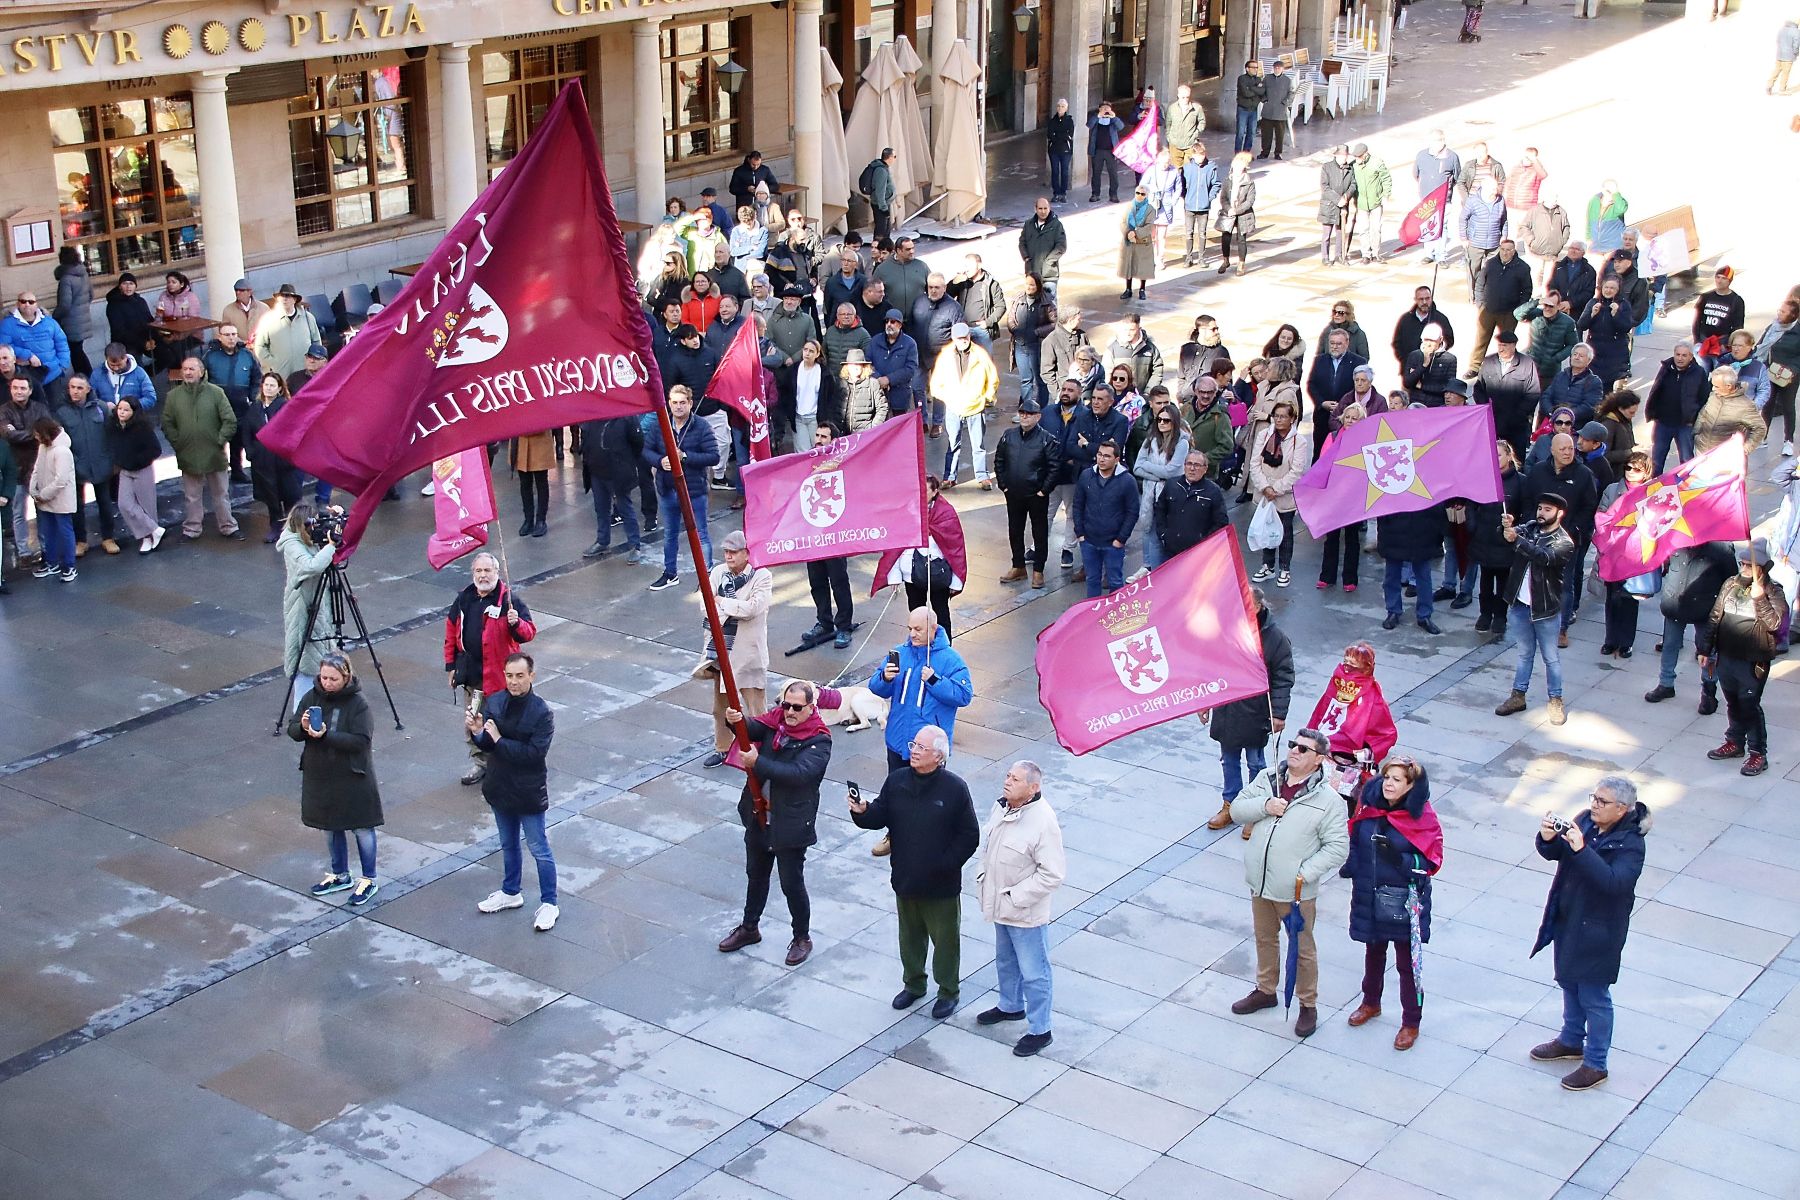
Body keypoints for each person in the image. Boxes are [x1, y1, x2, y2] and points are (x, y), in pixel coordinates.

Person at [850, 724, 979, 1019]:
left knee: (945, 940)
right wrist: (861, 811)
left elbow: (969, 835)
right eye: (913, 746)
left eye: (921, 748)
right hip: (905, 877)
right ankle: (914, 984)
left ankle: (948, 991)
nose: (914, 752)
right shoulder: (897, 781)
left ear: (939, 756)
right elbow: (879, 814)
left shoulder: (954, 788)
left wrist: (946, 865)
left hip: (941, 885)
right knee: (909, 937)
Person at [1529, 775, 1649, 1091]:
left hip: (1599, 931)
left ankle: (1596, 1063)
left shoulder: (1632, 845)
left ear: (1622, 809)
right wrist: (1548, 839)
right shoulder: (1585, 821)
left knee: (1594, 996)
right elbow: (1557, 854)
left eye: (1602, 801)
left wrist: (1582, 850)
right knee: (1568, 981)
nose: (1594, 806)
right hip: (1569, 918)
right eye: (1593, 798)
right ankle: (1570, 1040)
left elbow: (1613, 883)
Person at [1228, 729, 1347, 1038]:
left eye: (1304, 749)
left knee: (1302, 949)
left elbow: (1337, 848)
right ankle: (1266, 989)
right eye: (1293, 745)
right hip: (1260, 883)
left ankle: (1308, 1004)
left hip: (1295, 893)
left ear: (1319, 759)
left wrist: (1302, 874)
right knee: (1265, 938)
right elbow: (1237, 810)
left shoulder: (1329, 801)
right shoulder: (1269, 779)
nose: (1294, 751)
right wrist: (1265, 806)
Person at [717, 679, 832, 966]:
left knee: (792, 883)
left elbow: (798, 774)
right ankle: (749, 927)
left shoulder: (819, 740)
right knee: (755, 875)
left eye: (796, 707)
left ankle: (802, 937)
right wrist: (737, 721)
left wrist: (759, 763)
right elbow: (752, 729)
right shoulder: (776, 722)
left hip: (790, 823)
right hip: (760, 816)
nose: (789, 712)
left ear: (810, 707)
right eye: (786, 705)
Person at [1345, 755, 1443, 1050]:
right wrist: (1352, 862)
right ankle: (1370, 1002)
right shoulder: (1371, 805)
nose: (1388, 784)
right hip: (1369, 895)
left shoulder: (1422, 817)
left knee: (1406, 964)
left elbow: (1431, 861)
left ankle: (1411, 1021)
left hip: (1403, 901)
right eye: (1387, 777)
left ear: (1411, 786)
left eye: (1397, 780)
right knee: (1373, 952)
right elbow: (1356, 834)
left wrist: (1400, 859)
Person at [976, 760, 1066, 1057]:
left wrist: (1016, 897)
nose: (1007, 782)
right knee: (1005, 961)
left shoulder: (1042, 821)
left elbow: (1052, 873)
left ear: (1033, 788)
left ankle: (1041, 1029)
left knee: (1034, 972)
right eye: (1008, 776)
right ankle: (1010, 1005)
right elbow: (989, 847)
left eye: (1015, 779)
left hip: (1024, 912)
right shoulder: (1001, 807)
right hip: (1001, 904)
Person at [470, 653, 559, 933]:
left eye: (520, 676)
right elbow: (487, 744)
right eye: (509, 675)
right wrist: (477, 733)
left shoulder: (541, 713)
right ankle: (511, 892)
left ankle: (550, 902)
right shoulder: (495, 701)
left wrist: (498, 739)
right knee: (507, 843)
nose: (514, 681)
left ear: (531, 676)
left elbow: (533, 755)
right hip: (500, 785)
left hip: (528, 790)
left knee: (538, 847)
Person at [288, 653, 384, 907]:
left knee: (362, 826)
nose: (327, 682)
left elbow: (361, 741)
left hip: (352, 777)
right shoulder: (312, 697)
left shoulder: (358, 704)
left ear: (346, 676)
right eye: (324, 677)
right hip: (321, 774)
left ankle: (369, 878)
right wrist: (304, 727)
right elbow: (293, 728)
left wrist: (325, 735)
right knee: (330, 826)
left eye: (333, 678)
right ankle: (340, 874)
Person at [1203, 588, 1293, 831]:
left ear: (1258, 606)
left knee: (1256, 763)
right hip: (1228, 709)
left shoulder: (1274, 637)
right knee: (1228, 760)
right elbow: (1211, 666)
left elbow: (1283, 676)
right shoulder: (1223, 630)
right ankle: (1230, 804)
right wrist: (1205, 702)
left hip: (1256, 711)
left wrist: (1279, 712)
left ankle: (1254, 808)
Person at [443, 553, 536, 787]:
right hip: (473, 677)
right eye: (478, 571)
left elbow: (529, 633)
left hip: (501, 679)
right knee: (473, 718)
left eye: (487, 571)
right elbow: (450, 631)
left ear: (497, 572)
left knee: (503, 722)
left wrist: (516, 623)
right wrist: (451, 665)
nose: (483, 575)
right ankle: (480, 763)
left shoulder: (509, 600)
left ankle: (506, 763)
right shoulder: (464, 598)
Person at [1698, 540, 1787, 776]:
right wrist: (1705, 649)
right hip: (1727, 655)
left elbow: (1775, 624)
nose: (1745, 569)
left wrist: (1760, 600)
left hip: (1752, 661)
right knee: (1732, 702)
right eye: (1743, 563)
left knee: (1749, 706)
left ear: (1763, 568)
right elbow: (1715, 616)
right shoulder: (1730, 584)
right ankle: (1735, 742)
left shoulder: (1773, 591)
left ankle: (1758, 753)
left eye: (1750, 565)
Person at [1495, 493, 1575, 725]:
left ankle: (1555, 700)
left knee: (1551, 658)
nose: (1541, 513)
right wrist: (1506, 527)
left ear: (1560, 514)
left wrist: (1517, 540)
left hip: (1545, 608)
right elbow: (1504, 538)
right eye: (1540, 508)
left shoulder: (1564, 542)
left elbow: (1544, 557)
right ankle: (1518, 696)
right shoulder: (1529, 528)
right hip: (1520, 605)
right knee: (1524, 654)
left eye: (1548, 509)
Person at [697, 529, 772, 768]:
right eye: (726, 552)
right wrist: (729, 607)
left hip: (749, 653)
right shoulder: (718, 572)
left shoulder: (762, 576)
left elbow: (753, 609)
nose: (728, 557)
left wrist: (722, 602)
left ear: (747, 553)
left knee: (755, 706)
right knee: (721, 708)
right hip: (723, 652)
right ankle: (722, 747)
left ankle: (765, 749)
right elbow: (705, 604)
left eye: (733, 552)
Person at [1308, 642, 1398, 816]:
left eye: (1353, 665)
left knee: (1348, 810)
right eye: (1345, 663)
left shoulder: (1373, 699)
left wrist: (1365, 753)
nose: (1346, 668)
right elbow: (1319, 716)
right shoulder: (1335, 688)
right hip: (1325, 757)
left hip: (1351, 766)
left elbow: (1386, 734)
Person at [643, 385, 719, 592]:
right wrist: (660, 461)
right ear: (669, 403)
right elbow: (646, 451)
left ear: (690, 403)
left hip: (694, 490)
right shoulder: (661, 425)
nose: (678, 407)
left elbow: (714, 456)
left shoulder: (701, 426)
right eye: (674, 402)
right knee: (669, 534)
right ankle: (670, 573)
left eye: (682, 402)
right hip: (668, 489)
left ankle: (708, 577)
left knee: (701, 534)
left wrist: (684, 456)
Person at [874, 477, 968, 638]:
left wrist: (956, 580)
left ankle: (943, 650)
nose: (920, 495)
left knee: (941, 615)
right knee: (916, 614)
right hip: (912, 575)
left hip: (938, 574)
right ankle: (918, 647)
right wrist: (895, 575)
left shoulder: (946, 513)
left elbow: (955, 548)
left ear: (935, 492)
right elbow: (895, 546)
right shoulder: (905, 511)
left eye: (925, 491)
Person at [1647, 541, 1736, 710]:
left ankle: (1709, 690)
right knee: (1669, 646)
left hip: (1705, 610)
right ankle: (1665, 683)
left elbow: (1731, 580)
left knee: (1709, 654)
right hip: (1675, 605)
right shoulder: (1674, 543)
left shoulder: (1721, 551)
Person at [162, 356, 241, 542]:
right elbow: (167, 423)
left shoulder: (216, 393)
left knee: (221, 494)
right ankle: (192, 529)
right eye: (185, 369)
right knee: (191, 497)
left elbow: (229, 420)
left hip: (215, 455)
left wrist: (219, 441)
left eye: (192, 369)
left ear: (201, 371)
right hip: (187, 454)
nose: (188, 372)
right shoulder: (173, 397)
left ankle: (228, 526)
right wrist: (178, 442)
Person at [278, 503, 337, 708]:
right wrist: (330, 547)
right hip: (302, 605)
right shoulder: (292, 544)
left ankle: (321, 702)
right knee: (304, 653)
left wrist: (337, 524)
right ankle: (300, 711)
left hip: (318, 601)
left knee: (321, 649)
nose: (317, 529)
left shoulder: (309, 538)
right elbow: (311, 566)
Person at [52, 376, 117, 557]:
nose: (75, 391)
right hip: (75, 466)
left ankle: (108, 538)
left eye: (79, 387)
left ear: (88, 389)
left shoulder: (101, 408)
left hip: (100, 463)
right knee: (77, 506)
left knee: (104, 502)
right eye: (72, 387)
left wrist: (112, 460)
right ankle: (81, 541)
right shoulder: (61, 412)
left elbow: (111, 435)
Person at [1597, 453, 1653, 659]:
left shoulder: (1652, 493)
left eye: (1636, 469)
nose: (1630, 473)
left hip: (1636, 556)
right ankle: (1610, 640)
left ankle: (1626, 642)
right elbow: (1601, 514)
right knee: (1612, 599)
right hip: (1613, 553)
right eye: (1628, 468)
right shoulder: (1613, 490)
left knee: (1630, 599)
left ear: (1646, 472)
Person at [995, 398, 1055, 589]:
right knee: (1015, 530)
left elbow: (1054, 467)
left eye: (1029, 414)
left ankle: (1038, 570)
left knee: (1039, 532)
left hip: (1036, 495)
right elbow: (999, 460)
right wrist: (1003, 485)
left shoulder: (1046, 439)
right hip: (1013, 493)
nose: (1024, 417)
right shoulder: (1009, 435)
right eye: (1022, 413)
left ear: (1038, 417)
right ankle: (1018, 565)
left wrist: (1043, 490)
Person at [1248, 399, 1307, 587]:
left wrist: (1277, 489)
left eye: (1283, 416)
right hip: (1264, 493)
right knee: (1265, 529)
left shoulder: (1300, 441)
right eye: (1276, 416)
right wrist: (1265, 487)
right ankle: (1267, 566)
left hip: (1284, 496)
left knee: (1285, 532)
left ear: (1292, 419)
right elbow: (1254, 463)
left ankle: (1284, 568)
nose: (1279, 420)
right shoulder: (1265, 435)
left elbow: (1296, 471)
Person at [1470, 440, 1526, 635]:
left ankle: (1500, 616)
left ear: (1509, 456)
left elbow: (1526, 511)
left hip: (1505, 541)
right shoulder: (1484, 478)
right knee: (1485, 580)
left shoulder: (1520, 481)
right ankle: (1485, 614)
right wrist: (1473, 527)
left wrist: (1515, 524)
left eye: (1499, 455)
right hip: (1484, 538)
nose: (1496, 458)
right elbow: (1473, 504)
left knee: (1503, 581)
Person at [1073, 439, 1138, 596]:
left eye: (1107, 456)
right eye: (1099, 454)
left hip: (1113, 543)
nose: (1101, 459)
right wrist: (1080, 534)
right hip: (1088, 540)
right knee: (1092, 580)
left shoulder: (1127, 481)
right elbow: (1077, 505)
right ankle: (1093, 615)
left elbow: (1132, 512)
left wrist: (1121, 539)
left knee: (1115, 581)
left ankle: (1114, 616)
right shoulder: (1086, 475)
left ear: (1116, 460)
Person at [578, 412, 645, 563]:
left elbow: (638, 443)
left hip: (617, 472)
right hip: (596, 470)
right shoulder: (591, 414)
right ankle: (602, 541)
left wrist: (626, 461)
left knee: (625, 508)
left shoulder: (626, 416)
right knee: (601, 508)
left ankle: (635, 545)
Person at [105, 397, 163, 555]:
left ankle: (150, 538)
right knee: (124, 504)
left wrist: (137, 461)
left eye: (126, 410)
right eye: (120, 409)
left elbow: (155, 450)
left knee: (147, 506)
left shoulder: (142, 428)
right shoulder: (114, 426)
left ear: (134, 412)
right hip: (125, 470)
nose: (122, 412)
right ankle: (152, 531)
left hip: (142, 469)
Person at [1643, 341, 1709, 473]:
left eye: (1684, 355)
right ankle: (1653, 487)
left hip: (1685, 424)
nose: (1680, 358)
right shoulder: (1666, 368)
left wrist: (1694, 418)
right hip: (1663, 422)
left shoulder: (1699, 373)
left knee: (1686, 460)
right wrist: (1653, 412)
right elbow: (1656, 390)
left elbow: (1704, 397)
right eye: (1677, 354)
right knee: (1657, 459)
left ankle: (1685, 488)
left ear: (1691, 357)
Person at [1474, 331, 1543, 456]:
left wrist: (1518, 415)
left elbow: (1533, 393)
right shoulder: (1489, 362)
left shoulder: (1526, 364)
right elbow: (1479, 389)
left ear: (1514, 345)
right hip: (1492, 423)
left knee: (1515, 460)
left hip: (1515, 426)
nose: (1501, 348)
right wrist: (1485, 410)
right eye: (1500, 345)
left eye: (1505, 345)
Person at [1468, 239, 1533, 370]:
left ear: (1514, 251)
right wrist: (1480, 303)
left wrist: (1520, 309)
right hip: (1488, 310)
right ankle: (1474, 367)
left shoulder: (1523, 267)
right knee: (1481, 339)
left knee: (1506, 342)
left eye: (1508, 250)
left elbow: (1527, 290)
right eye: (1503, 249)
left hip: (1509, 312)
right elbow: (1480, 283)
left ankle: (1504, 367)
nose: (1505, 253)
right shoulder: (1490, 264)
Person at [27, 418, 77, 582]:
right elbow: (37, 468)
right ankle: (52, 562)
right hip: (45, 498)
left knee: (65, 531)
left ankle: (70, 566)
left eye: (37, 434)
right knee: (49, 532)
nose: (36, 437)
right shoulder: (44, 447)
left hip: (59, 499)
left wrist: (43, 494)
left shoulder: (62, 451)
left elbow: (61, 480)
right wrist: (33, 488)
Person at [1306, 328, 1366, 460]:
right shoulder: (1319, 360)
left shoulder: (1359, 362)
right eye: (1332, 343)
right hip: (1322, 415)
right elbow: (1311, 384)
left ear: (1347, 343)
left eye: (1338, 344)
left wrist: (1344, 405)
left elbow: (1361, 387)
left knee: (1342, 454)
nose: (1334, 347)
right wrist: (1321, 402)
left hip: (1345, 416)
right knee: (1319, 453)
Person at [1753, 298, 1800, 457]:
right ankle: (1763, 437)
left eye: (1783, 311)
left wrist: (1792, 369)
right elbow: (1760, 346)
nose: (1779, 313)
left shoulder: (1797, 331)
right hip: (1769, 371)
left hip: (1788, 376)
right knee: (1768, 404)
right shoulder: (1772, 327)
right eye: (1779, 310)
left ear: (1793, 315)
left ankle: (1788, 441)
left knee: (1788, 407)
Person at [2, 290, 71, 394]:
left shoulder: (50, 322)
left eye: (31, 302)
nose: (27, 304)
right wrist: (27, 355)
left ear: (36, 305)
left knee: (56, 407)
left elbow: (62, 343)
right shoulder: (7, 324)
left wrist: (63, 365)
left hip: (53, 373)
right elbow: (4, 347)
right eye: (23, 301)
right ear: (17, 304)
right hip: (25, 375)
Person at [1576, 276, 1634, 393]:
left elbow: (1626, 327)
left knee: (1606, 388)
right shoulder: (1593, 302)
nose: (1608, 290)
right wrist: (1592, 314)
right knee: (1590, 385)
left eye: (1612, 288)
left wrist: (1616, 314)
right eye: (1606, 287)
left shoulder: (1623, 304)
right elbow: (1581, 325)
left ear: (1618, 290)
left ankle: (1603, 409)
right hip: (1594, 352)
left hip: (1613, 354)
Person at [252, 284, 322, 381]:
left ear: (294, 299)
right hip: (280, 375)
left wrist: (314, 362)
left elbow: (316, 342)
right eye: (282, 296)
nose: (284, 299)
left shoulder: (308, 318)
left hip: (305, 373)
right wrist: (273, 363)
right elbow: (259, 346)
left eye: (288, 296)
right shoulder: (268, 319)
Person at [1694, 365, 1767, 457]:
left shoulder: (1745, 406)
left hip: (1725, 457)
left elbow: (1760, 428)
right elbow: (1703, 414)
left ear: (1728, 386)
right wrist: (1696, 434)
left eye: (1716, 386)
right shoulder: (1713, 396)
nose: (1713, 389)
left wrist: (1745, 449)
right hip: (1702, 452)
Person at [1412, 131, 1461, 263]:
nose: (1436, 143)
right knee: (1427, 227)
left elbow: (1457, 177)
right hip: (1427, 200)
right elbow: (1416, 174)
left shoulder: (1452, 157)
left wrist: (1446, 188)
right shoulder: (1422, 155)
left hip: (1444, 200)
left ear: (1443, 141)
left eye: (1439, 140)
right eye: (1434, 140)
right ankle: (1429, 254)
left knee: (1442, 228)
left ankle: (1441, 256)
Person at [1460, 178, 1509, 305]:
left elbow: (1504, 220)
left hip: (1494, 243)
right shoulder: (1473, 201)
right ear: (1486, 189)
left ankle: (1487, 295)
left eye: (1496, 188)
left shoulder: (1500, 200)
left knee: (1492, 271)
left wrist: (1504, 235)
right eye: (1493, 188)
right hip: (1476, 243)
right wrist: (1464, 238)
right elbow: (1462, 219)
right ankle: (1474, 296)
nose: (1496, 190)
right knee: (1474, 271)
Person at [52, 247, 94, 377]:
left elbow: (64, 305)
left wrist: (54, 317)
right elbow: (91, 295)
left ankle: (86, 379)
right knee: (78, 351)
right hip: (82, 319)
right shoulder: (83, 274)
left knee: (75, 354)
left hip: (70, 322)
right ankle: (87, 378)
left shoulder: (66, 279)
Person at [1315, 145, 1357, 268]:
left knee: (1340, 232)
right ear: (1336, 155)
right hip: (1329, 205)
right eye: (1343, 156)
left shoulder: (1349, 168)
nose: (1345, 158)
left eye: (1346, 156)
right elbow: (1325, 186)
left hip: (1343, 206)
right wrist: (1337, 199)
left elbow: (1353, 185)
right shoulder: (1327, 167)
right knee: (1326, 234)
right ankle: (1325, 257)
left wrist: (1346, 197)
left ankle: (1339, 255)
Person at [1392, 287, 1454, 370]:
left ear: (1431, 298)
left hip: (1433, 370)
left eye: (1427, 298)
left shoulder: (1441, 319)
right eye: (1421, 299)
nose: (1424, 302)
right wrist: (1405, 362)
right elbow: (1396, 343)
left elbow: (1449, 341)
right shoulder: (1405, 319)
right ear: (1416, 300)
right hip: (1410, 371)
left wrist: (1437, 355)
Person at [1180, 146, 1222, 269]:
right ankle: (1189, 258)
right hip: (1189, 206)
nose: (1201, 157)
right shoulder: (1187, 168)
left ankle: (1202, 258)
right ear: (1193, 155)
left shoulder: (1211, 167)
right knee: (1189, 233)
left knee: (1202, 233)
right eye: (1198, 155)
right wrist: (1185, 197)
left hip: (1203, 207)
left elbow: (1216, 183)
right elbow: (1181, 185)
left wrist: (1209, 197)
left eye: (1202, 155)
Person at [1350, 143, 1392, 264]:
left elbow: (1386, 179)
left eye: (1359, 156)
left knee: (1376, 229)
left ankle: (1376, 253)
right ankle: (1365, 254)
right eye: (1355, 156)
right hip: (1361, 204)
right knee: (1363, 229)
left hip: (1376, 202)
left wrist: (1386, 195)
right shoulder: (1353, 166)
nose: (1357, 159)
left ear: (1365, 154)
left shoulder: (1377, 163)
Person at [1216, 153, 1257, 277]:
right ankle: (1225, 260)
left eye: (1239, 168)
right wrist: (1228, 209)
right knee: (1225, 237)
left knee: (1241, 239)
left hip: (1242, 213)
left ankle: (1241, 264)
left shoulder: (1249, 182)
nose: (1236, 171)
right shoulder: (1228, 181)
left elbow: (1250, 201)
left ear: (1243, 169)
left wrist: (1237, 210)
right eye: (1234, 168)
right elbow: (1223, 198)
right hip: (1229, 211)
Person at [1019, 198, 1068, 302]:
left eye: (1045, 208)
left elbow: (1061, 246)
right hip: (1032, 272)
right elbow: (1022, 242)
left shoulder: (1056, 225)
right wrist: (1026, 258)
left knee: (1050, 304)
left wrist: (1049, 261)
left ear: (1049, 208)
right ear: (1035, 209)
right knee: (1032, 303)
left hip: (1049, 274)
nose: (1043, 211)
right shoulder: (1028, 225)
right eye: (1040, 208)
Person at [103, 272, 155, 368]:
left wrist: (156, 337)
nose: (128, 287)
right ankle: (142, 377)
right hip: (125, 344)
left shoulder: (140, 301)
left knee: (170, 351)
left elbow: (150, 321)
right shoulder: (113, 305)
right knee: (134, 362)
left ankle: (149, 374)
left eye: (131, 284)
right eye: (124, 283)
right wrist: (142, 343)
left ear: (135, 286)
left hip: (144, 339)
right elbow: (119, 332)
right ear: (119, 286)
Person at [1401, 326, 1457, 407]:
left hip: (1437, 406)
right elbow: (1407, 382)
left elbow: (1448, 387)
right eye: (1426, 340)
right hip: (1416, 404)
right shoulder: (1414, 355)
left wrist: (1422, 386)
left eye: (1432, 340)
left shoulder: (1450, 359)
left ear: (1440, 340)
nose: (1428, 344)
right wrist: (1424, 365)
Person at [1119, 184, 1157, 302]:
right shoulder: (1129, 206)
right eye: (1138, 193)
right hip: (1129, 240)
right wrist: (1128, 232)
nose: (1140, 196)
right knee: (1128, 265)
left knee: (1142, 266)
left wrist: (1136, 233)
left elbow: (1149, 225)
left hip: (1142, 240)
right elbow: (1123, 221)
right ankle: (1128, 289)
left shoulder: (1150, 209)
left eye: (1142, 194)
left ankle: (1142, 289)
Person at [218, 280, 268, 356]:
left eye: (241, 290)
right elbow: (226, 332)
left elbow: (270, 329)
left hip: (261, 349)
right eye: (236, 290)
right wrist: (242, 343)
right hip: (239, 351)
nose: (238, 292)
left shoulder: (263, 308)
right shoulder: (228, 310)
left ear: (249, 292)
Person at [1087, 101, 1124, 202]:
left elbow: (1121, 127)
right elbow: (1089, 125)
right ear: (1099, 109)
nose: (1105, 111)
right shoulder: (1095, 118)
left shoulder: (1113, 121)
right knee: (1096, 174)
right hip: (1097, 150)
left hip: (1111, 151)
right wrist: (1099, 115)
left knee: (1113, 174)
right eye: (1103, 108)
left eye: (1107, 108)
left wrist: (1114, 117)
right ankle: (1095, 194)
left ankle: (1113, 194)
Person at [1257, 60, 1292, 160]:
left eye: (1279, 68)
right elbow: (1261, 90)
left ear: (1282, 69)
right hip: (1268, 110)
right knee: (1266, 134)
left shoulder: (1287, 80)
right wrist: (1264, 100)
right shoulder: (1267, 78)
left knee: (1280, 135)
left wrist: (1286, 102)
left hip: (1280, 111)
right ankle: (1265, 152)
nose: (1277, 69)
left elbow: (1291, 92)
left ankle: (1278, 153)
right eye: (1275, 68)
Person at [1585, 181, 1628, 253]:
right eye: (1608, 191)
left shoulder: (1618, 203)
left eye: (1613, 191)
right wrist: (1588, 239)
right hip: (1596, 248)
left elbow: (1621, 208)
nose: (1610, 194)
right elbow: (1589, 221)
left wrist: (1615, 193)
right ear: (1603, 190)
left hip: (1613, 249)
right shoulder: (1594, 201)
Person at [863, 147, 897, 241]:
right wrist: (883, 208)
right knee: (881, 230)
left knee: (886, 228)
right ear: (889, 157)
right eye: (894, 156)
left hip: (883, 203)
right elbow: (880, 191)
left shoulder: (883, 168)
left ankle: (884, 248)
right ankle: (879, 248)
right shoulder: (881, 171)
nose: (895, 159)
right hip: (880, 204)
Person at [1045, 100, 1074, 203]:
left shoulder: (1069, 121)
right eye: (1058, 106)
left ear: (1066, 108)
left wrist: (1057, 135)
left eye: (1062, 106)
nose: (1060, 108)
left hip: (1066, 150)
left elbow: (1069, 135)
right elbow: (1050, 134)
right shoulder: (1052, 121)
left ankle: (1063, 193)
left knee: (1064, 171)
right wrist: (1061, 136)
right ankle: (1056, 193)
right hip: (1054, 150)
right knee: (1055, 171)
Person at [1774, 19, 1799, 94]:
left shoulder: (1782, 29)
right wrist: (1796, 53)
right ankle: (1782, 90)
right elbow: (1796, 45)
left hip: (1779, 54)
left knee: (1776, 70)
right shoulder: (1796, 31)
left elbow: (1777, 40)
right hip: (1788, 56)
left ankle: (1769, 85)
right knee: (1786, 72)